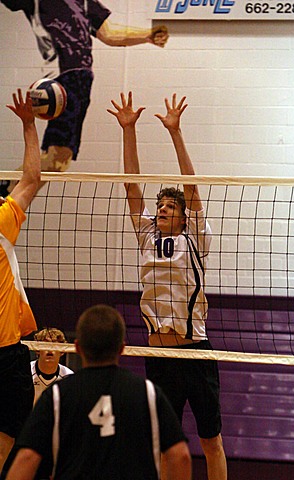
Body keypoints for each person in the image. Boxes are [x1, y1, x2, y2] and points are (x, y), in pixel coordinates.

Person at [108, 92, 228, 480]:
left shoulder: (195, 236)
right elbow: (131, 187)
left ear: (182, 215)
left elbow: (191, 188)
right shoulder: (146, 235)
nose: (161, 210)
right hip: (158, 354)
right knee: (167, 445)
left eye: (169, 207)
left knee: (211, 442)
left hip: (194, 351)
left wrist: (175, 133)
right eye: (159, 205)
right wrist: (129, 130)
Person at [0, 0, 169, 196]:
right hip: (63, 80)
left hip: (80, 81)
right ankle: (7, 193)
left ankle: (8, 191)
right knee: (57, 157)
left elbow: (110, 34)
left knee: (59, 159)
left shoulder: (86, 2)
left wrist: (147, 34)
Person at [6, 304, 192, 480]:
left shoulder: (58, 395)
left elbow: (27, 457)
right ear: (121, 349)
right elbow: (181, 456)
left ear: (77, 348)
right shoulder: (148, 392)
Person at [0, 89, 41, 474]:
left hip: (9, 349)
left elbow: (30, 179)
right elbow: (32, 178)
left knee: (12, 438)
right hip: (6, 352)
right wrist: (29, 124)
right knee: (12, 437)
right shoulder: (1, 223)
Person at [31, 328, 74, 405]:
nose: (50, 350)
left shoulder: (69, 376)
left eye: (54, 346)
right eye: (45, 345)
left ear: (62, 351)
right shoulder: (25, 372)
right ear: (37, 349)